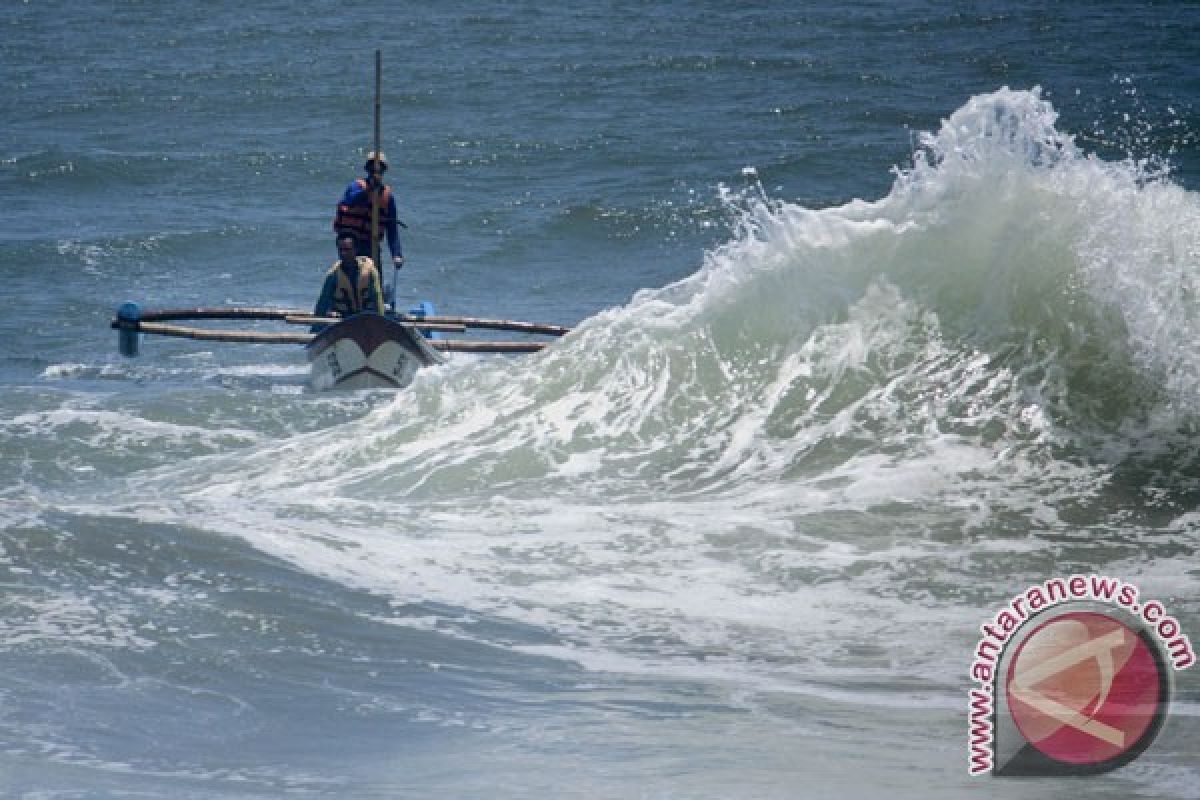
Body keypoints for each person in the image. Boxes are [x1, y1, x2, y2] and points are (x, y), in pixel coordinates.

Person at [332, 151, 404, 271]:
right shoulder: (356, 186)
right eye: (372, 169)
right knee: (350, 277)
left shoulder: (388, 197)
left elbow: (392, 229)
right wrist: (369, 189)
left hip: (371, 244)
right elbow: (350, 201)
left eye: (379, 169)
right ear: (367, 169)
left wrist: (396, 254)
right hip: (350, 243)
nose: (375, 173)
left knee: (373, 278)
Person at [312, 232, 386, 326]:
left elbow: (377, 299)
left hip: (366, 318)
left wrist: (381, 324)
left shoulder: (370, 272)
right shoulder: (333, 275)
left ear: (356, 250)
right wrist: (316, 326)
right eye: (340, 250)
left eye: (347, 250)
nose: (343, 253)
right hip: (343, 319)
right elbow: (322, 304)